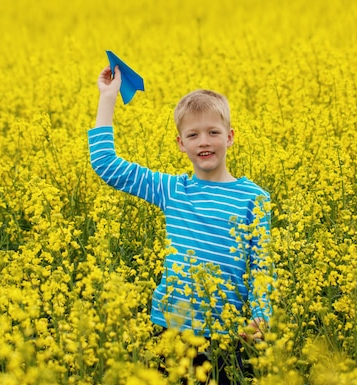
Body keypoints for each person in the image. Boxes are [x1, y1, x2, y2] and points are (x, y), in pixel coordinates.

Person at [88, 65, 272, 381]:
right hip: (172, 327)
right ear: (180, 143)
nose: (204, 142)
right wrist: (108, 97)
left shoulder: (253, 198)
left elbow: (261, 264)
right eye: (193, 135)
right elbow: (106, 164)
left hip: (230, 333)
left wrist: (262, 316)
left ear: (229, 138)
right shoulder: (173, 190)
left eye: (213, 132)